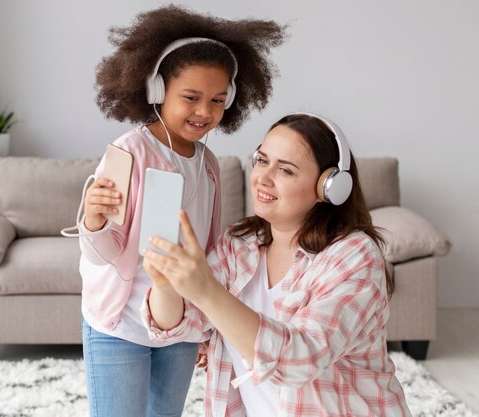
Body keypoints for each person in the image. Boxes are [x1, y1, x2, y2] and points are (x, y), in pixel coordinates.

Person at [77, 5, 286, 417]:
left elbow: (207, 253)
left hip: (180, 328)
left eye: (218, 101)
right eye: (190, 97)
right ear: (157, 90)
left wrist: (206, 325)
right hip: (120, 326)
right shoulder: (129, 153)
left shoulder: (207, 164)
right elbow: (101, 252)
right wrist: (94, 220)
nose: (205, 112)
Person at [141, 113, 412, 416]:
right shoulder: (239, 242)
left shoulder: (354, 257)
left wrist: (207, 291)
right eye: (262, 160)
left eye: (285, 170)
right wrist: (165, 285)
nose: (263, 177)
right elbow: (180, 325)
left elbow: (298, 360)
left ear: (329, 188)